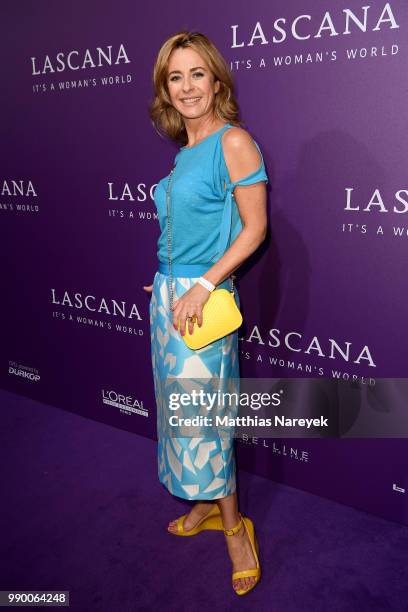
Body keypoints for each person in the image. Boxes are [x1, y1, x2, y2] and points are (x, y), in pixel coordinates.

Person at [144, 30, 268, 596]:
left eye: (197, 74)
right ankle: (203, 504)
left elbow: (255, 229)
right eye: (176, 77)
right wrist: (168, 282)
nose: (187, 86)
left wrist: (200, 285)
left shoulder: (232, 141)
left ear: (217, 82)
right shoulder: (185, 152)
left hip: (202, 304)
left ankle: (236, 529)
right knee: (180, 415)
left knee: (208, 421)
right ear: (165, 91)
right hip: (170, 299)